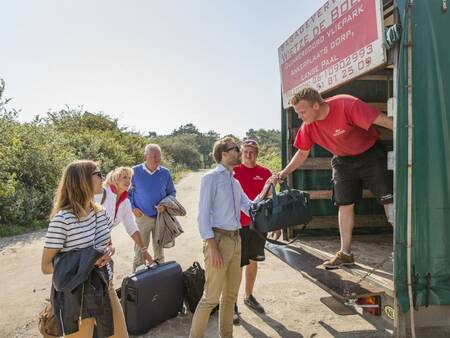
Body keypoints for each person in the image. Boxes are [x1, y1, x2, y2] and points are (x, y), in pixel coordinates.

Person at [276, 87, 393, 269]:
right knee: (344, 204)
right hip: (342, 161)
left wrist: (413, 135)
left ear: (316, 105)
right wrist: (283, 173)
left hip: (370, 154)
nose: (300, 116)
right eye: (297, 113)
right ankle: (345, 253)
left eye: (303, 111)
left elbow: (385, 121)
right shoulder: (308, 126)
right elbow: (301, 153)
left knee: (389, 200)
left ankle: (403, 250)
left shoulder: (347, 104)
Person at [189, 137, 273, 338]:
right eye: (236, 149)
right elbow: (202, 215)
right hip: (218, 240)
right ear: (224, 153)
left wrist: (267, 186)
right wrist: (212, 246)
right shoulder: (211, 178)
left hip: (236, 240)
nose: (239, 152)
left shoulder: (234, 182)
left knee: (229, 297)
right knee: (210, 298)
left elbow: (250, 206)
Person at [41, 160, 128, 337]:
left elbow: (108, 244)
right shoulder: (63, 220)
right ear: (82, 181)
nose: (103, 178)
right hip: (77, 296)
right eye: (98, 174)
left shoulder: (101, 212)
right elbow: (46, 266)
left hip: (106, 287)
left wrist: (109, 251)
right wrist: (86, 263)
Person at [232, 139, 280, 323]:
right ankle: (232, 303)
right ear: (241, 153)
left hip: (259, 226)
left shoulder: (265, 173)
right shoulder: (233, 172)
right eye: (246, 151)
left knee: (252, 261)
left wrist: (275, 223)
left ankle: (248, 296)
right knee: (237, 264)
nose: (249, 154)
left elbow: (270, 200)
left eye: (252, 152)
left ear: (257, 154)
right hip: (238, 225)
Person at [129, 144, 176, 271]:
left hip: (160, 217)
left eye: (158, 156)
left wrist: (165, 206)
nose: (157, 158)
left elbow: (172, 193)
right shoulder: (134, 172)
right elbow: (126, 193)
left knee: (159, 251)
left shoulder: (165, 172)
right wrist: (133, 208)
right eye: (153, 156)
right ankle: (137, 281)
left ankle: (159, 277)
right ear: (145, 157)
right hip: (142, 217)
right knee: (140, 251)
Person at [96, 167, 154, 269]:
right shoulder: (102, 193)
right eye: (124, 177)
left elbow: (131, 227)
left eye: (129, 178)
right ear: (116, 179)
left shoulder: (125, 202)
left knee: (105, 279)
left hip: (104, 247)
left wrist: (144, 250)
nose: (128, 181)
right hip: (86, 245)